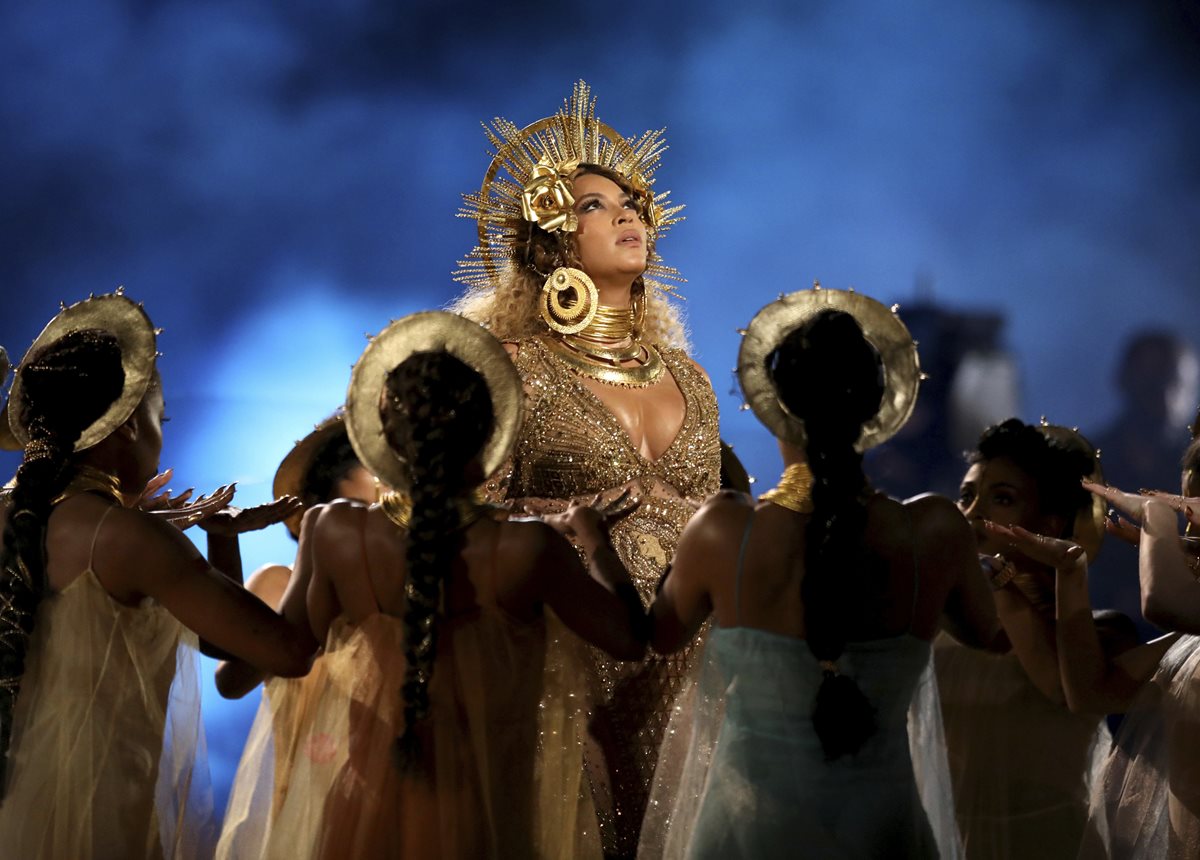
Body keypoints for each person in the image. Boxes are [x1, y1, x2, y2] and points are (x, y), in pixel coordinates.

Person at [572, 288, 1007, 858]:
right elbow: (988, 635)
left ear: (775, 403)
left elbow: (658, 635)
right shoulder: (934, 531)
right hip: (881, 828)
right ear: (879, 408)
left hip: (750, 831)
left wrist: (595, 543)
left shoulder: (725, 532)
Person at [253, 311, 648, 858]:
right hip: (486, 818)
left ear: (383, 434)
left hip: (362, 810)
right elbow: (630, 639)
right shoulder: (529, 549)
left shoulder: (334, 531)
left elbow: (291, 653)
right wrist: (595, 539)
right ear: (491, 433)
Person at [451, 81, 721, 857]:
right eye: (595, 206)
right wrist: (575, 518)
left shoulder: (690, 376)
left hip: (692, 666)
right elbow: (472, 520)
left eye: (632, 202)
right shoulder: (513, 368)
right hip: (570, 670)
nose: (628, 213)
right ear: (550, 243)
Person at [0, 292, 312, 859]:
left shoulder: (47, 521)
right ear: (126, 428)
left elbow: (218, 641)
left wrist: (216, 534)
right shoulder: (129, 539)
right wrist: (325, 545)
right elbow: (282, 652)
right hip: (92, 820)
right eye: (158, 417)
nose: (160, 432)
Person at [935, 418, 1138, 859]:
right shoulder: (936, 627)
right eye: (966, 496)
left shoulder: (1104, 633)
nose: (972, 515)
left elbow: (1058, 685)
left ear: (1051, 520)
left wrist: (1002, 584)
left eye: (1001, 499)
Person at [215, 412, 379, 858]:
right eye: (355, 515)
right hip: (301, 812)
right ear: (314, 516)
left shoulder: (409, 598)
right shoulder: (277, 585)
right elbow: (230, 681)